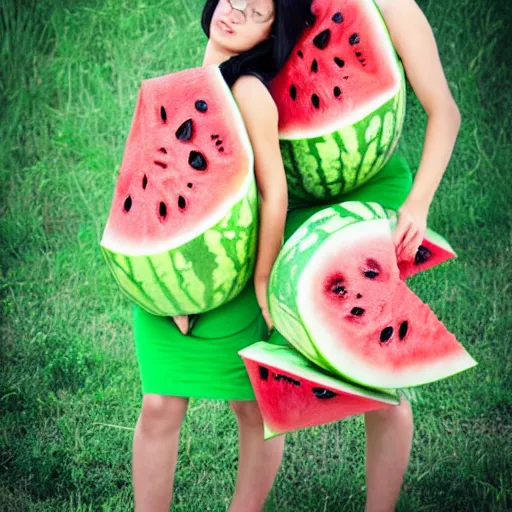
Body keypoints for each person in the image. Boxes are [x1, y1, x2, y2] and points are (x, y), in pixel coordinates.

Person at [271, 0, 461, 511]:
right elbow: (216, 94)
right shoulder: (264, 6)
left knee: (383, 376)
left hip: (377, 194)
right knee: (277, 379)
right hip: (290, 202)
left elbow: (444, 109)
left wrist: (417, 204)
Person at [130, 1, 314, 511]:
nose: (236, 13)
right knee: (160, 406)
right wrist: (166, 288)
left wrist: (261, 278)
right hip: (163, 273)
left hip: (234, 279)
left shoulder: (249, 93)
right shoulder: (173, 86)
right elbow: (148, 188)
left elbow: (274, 192)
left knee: (251, 409)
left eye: (256, 12)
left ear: (272, 34)